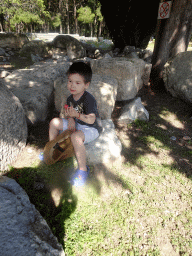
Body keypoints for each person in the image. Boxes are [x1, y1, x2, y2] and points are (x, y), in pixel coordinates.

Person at [46, 61, 102, 187]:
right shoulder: (70, 98)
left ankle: (83, 170)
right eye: (70, 81)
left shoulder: (89, 100)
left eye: (78, 83)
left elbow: (91, 120)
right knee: (54, 122)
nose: (72, 85)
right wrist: (70, 118)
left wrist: (76, 116)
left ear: (86, 85)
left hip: (91, 128)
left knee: (75, 137)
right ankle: (52, 148)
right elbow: (68, 111)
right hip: (76, 123)